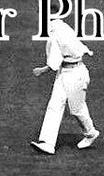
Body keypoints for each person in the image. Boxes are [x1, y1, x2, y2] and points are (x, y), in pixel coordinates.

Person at [30, 18, 99, 156]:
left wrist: (41, 70)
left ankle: (91, 133)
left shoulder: (54, 34)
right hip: (66, 71)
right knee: (55, 104)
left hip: (75, 74)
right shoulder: (65, 26)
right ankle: (47, 143)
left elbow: (54, 63)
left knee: (77, 109)